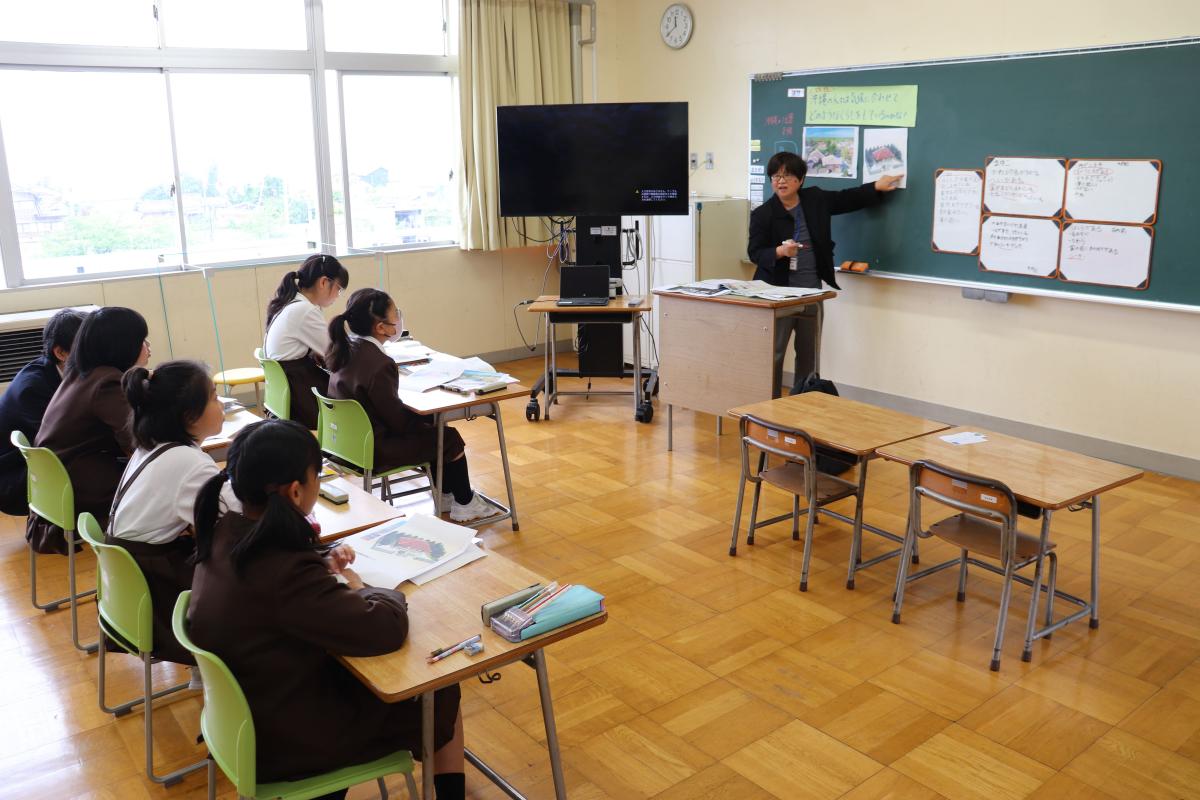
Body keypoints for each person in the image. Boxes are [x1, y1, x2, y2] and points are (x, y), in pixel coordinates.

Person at [188, 419, 465, 800]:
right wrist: (364, 588)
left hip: (246, 716)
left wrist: (318, 562)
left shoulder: (225, 532)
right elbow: (384, 628)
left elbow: (277, 588)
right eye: (317, 476)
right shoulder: (284, 573)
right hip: (289, 741)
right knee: (440, 682)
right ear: (296, 490)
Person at [108, 360, 234, 681]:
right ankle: (222, 679)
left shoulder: (152, 447)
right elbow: (235, 518)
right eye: (214, 397)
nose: (221, 404)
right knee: (249, 573)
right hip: (157, 594)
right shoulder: (189, 462)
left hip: (127, 589)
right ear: (189, 416)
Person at [325, 289, 493, 523]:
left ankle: (445, 495)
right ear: (381, 327)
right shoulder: (380, 364)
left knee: (434, 432)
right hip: (375, 450)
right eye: (395, 313)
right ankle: (466, 503)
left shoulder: (346, 349)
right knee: (448, 437)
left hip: (347, 446)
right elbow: (398, 422)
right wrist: (432, 417)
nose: (398, 317)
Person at [747, 151, 903, 397]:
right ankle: (769, 407)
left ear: (800, 179)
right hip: (777, 295)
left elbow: (846, 199)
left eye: (787, 175)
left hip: (811, 293)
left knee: (809, 356)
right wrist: (780, 251)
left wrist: (876, 187)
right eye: (775, 176)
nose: (780, 181)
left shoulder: (814, 200)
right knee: (773, 354)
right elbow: (755, 253)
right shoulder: (763, 214)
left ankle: (802, 405)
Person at [33, 307, 151, 554]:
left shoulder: (82, 373)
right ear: (123, 345)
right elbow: (140, 441)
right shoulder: (106, 382)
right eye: (141, 340)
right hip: (83, 488)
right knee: (166, 484)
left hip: (58, 486)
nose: (147, 346)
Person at [0, 309, 87, 516]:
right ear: (61, 353)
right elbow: (60, 442)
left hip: (34, 465)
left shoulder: (55, 372)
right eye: (86, 348)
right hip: (14, 479)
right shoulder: (32, 389)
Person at [263, 254, 349, 429]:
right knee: (353, 392)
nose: (337, 296)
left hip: (288, 394)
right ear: (324, 282)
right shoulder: (304, 310)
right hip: (300, 396)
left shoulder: (291, 303)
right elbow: (336, 352)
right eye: (339, 289)